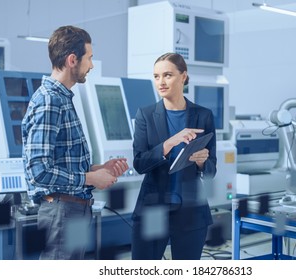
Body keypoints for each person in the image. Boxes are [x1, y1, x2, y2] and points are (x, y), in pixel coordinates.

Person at [22, 25, 128, 260]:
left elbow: (63, 162)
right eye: (89, 58)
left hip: (74, 210)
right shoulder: (50, 101)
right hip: (62, 213)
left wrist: (98, 169)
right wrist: (91, 179)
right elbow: (39, 171)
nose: (91, 65)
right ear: (72, 60)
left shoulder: (62, 98)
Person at [131, 52, 217, 260]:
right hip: (153, 210)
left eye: (167, 75)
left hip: (191, 212)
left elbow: (211, 170)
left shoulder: (203, 115)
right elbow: (140, 163)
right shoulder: (146, 115)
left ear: (183, 76)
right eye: (156, 76)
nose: (161, 82)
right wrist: (169, 143)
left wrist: (202, 163)